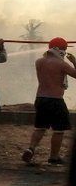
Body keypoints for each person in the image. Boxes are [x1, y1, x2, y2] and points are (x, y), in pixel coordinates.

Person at [22, 38, 75, 166]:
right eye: (64, 49)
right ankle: (54, 157)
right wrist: (74, 61)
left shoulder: (39, 61)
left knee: (40, 127)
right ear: (60, 50)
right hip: (56, 100)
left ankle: (31, 148)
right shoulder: (61, 64)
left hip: (40, 99)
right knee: (58, 130)